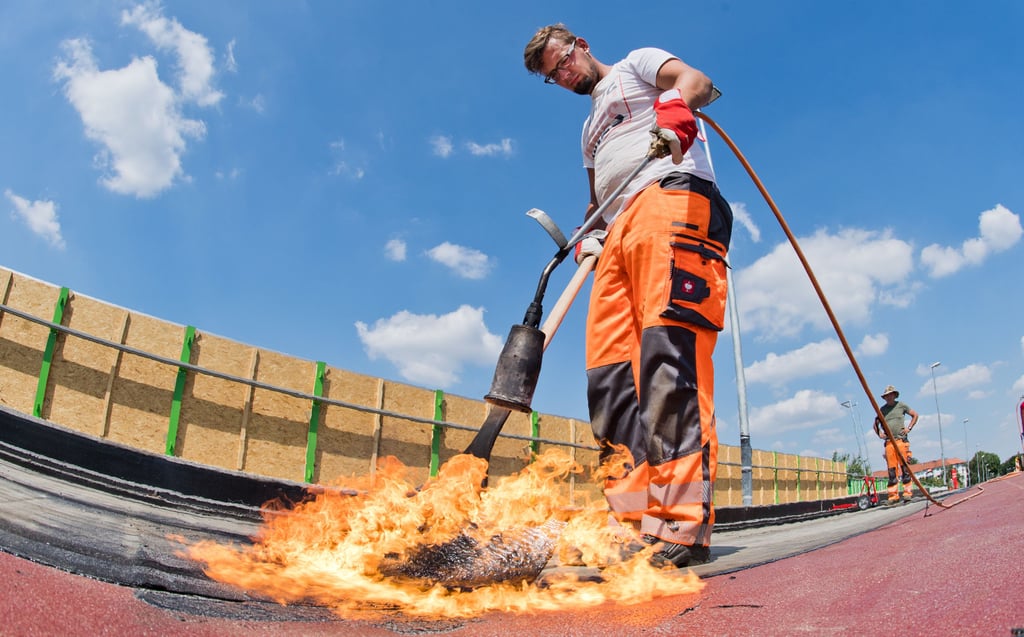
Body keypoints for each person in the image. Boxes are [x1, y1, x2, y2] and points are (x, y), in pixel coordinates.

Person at [523, 24, 732, 568]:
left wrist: (676, 112)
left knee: (669, 364)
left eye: (562, 61)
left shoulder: (636, 66)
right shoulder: (589, 127)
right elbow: (596, 196)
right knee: (610, 378)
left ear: (582, 46)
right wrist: (589, 233)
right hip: (614, 234)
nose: (562, 75)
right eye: (552, 76)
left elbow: (697, 81)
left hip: (670, 198)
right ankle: (635, 522)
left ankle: (683, 525)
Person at [872, 385, 919, 503]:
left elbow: (915, 415)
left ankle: (907, 493)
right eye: (886, 396)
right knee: (892, 470)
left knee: (905, 468)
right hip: (889, 443)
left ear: (894, 395)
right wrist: (880, 434)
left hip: (901, 441)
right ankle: (893, 496)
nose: (888, 397)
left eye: (890, 395)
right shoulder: (882, 410)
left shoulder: (901, 406)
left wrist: (909, 428)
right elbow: (875, 424)